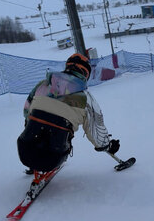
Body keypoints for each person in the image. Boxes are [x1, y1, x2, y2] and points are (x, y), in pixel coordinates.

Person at [17, 53, 120, 197]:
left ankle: (34, 164)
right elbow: (97, 132)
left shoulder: (42, 85)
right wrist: (108, 146)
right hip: (53, 157)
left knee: (37, 122)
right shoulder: (86, 99)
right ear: (86, 73)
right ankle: (41, 160)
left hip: (24, 150)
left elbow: (27, 111)